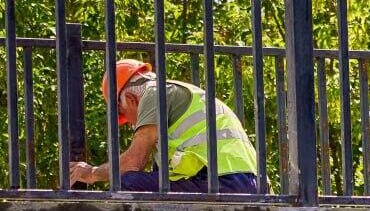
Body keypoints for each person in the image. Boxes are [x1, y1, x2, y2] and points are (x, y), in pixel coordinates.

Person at [68, 59, 260, 193]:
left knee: (127, 182)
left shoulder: (153, 94)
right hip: (247, 182)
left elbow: (134, 161)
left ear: (131, 99)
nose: (131, 124)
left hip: (225, 182)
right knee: (154, 178)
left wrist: (93, 173)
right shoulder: (171, 93)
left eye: (125, 115)